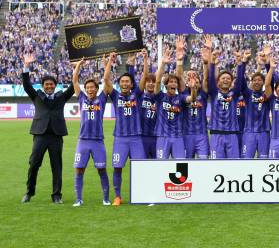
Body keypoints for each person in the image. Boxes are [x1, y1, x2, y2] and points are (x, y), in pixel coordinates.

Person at [21, 53, 75, 204]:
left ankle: (57, 195)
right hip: (40, 135)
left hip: (56, 136)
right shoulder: (36, 96)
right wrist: (26, 66)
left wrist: (76, 69)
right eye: (47, 84)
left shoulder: (61, 97)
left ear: (55, 85)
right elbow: (26, 84)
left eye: (52, 84)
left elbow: (72, 87)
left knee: (56, 166)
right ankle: (29, 192)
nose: (49, 86)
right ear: (43, 86)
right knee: (34, 164)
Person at [106, 51, 147, 206]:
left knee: (140, 168)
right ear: (119, 84)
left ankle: (140, 194)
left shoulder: (136, 95)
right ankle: (117, 196)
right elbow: (106, 80)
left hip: (136, 137)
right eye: (122, 81)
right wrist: (110, 61)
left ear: (131, 84)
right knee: (117, 168)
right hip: (120, 138)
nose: (124, 83)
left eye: (127, 82)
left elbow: (143, 79)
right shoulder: (115, 96)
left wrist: (145, 59)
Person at [72, 56, 113, 206]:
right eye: (88, 87)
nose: (90, 89)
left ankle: (106, 199)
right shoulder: (81, 98)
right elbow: (75, 80)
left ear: (96, 89)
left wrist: (107, 63)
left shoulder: (101, 99)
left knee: (102, 170)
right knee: (79, 170)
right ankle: (78, 199)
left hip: (97, 141)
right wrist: (79, 65)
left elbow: (106, 78)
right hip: (83, 141)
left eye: (92, 87)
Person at [207, 43, 247, 159]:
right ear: (218, 81)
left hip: (232, 135)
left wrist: (240, 64)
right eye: (223, 78)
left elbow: (239, 81)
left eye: (228, 78)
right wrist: (213, 63)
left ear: (231, 82)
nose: (226, 80)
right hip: (216, 134)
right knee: (216, 165)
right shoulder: (214, 93)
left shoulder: (234, 94)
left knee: (234, 165)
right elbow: (210, 80)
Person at [153, 48, 190, 160]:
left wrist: (192, 89)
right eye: (171, 82)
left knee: (181, 166)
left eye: (175, 82)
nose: (173, 83)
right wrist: (163, 63)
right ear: (166, 85)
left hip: (178, 136)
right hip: (162, 136)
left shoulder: (181, 98)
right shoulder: (160, 97)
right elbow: (158, 80)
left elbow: (191, 99)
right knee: (160, 165)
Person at [241, 49, 272, 159]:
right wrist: (243, 62)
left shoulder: (267, 95)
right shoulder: (248, 94)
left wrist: (268, 64)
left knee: (263, 161)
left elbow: (271, 82)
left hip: (264, 132)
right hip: (249, 132)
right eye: (254, 80)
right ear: (251, 82)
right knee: (246, 160)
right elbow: (241, 81)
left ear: (263, 82)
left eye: (259, 80)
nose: (257, 82)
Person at [182, 45, 210, 159]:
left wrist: (205, 63)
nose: (195, 83)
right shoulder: (183, 94)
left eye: (197, 81)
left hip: (202, 134)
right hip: (187, 134)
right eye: (191, 81)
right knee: (186, 165)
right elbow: (180, 78)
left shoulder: (203, 95)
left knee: (203, 163)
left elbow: (206, 78)